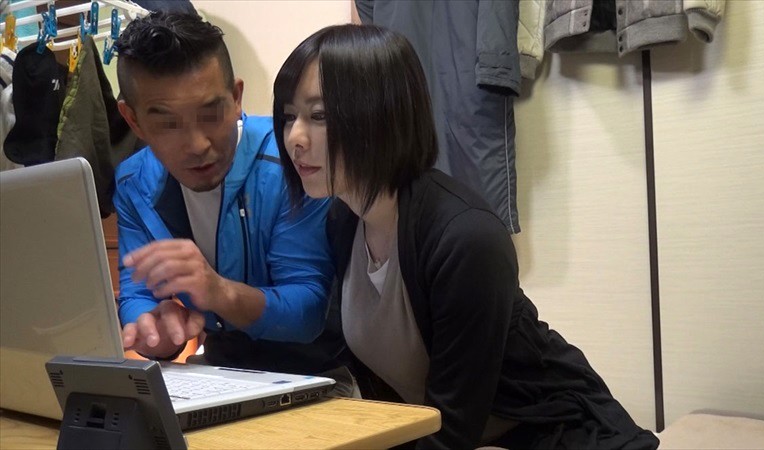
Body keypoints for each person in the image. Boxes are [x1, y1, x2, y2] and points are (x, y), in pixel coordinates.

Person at [273, 24, 660, 449]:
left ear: (381, 113)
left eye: (319, 116)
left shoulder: (464, 237)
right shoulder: (342, 220)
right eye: (289, 116)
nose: (294, 138)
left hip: (558, 434)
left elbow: (452, 430)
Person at [113, 12, 349, 388]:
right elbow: (137, 293)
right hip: (219, 371)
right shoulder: (133, 183)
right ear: (133, 120)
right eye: (167, 123)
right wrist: (155, 330)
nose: (197, 145)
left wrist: (220, 293)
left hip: (322, 373)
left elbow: (308, 310)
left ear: (237, 98)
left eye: (211, 114)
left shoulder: (293, 163)